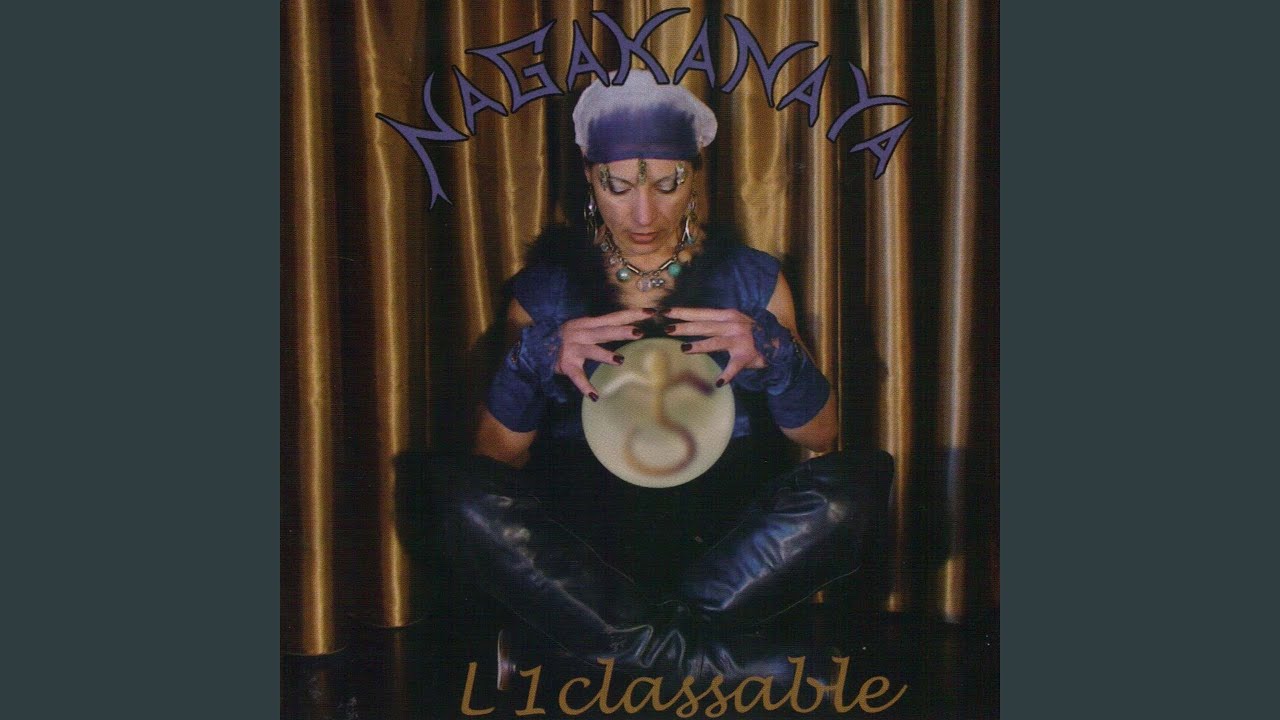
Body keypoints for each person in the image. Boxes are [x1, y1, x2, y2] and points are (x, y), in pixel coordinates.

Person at [399, 70, 892, 687]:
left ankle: (581, 654)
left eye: (666, 184)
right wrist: (531, 360)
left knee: (861, 480)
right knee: (452, 490)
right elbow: (496, 460)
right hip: (589, 549)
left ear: (695, 177)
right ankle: (723, 661)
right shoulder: (545, 289)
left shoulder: (753, 278)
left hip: (727, 545)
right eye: (619, 186)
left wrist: (777, 355)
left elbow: (820, 437)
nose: (643, 213)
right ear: (590, 177)